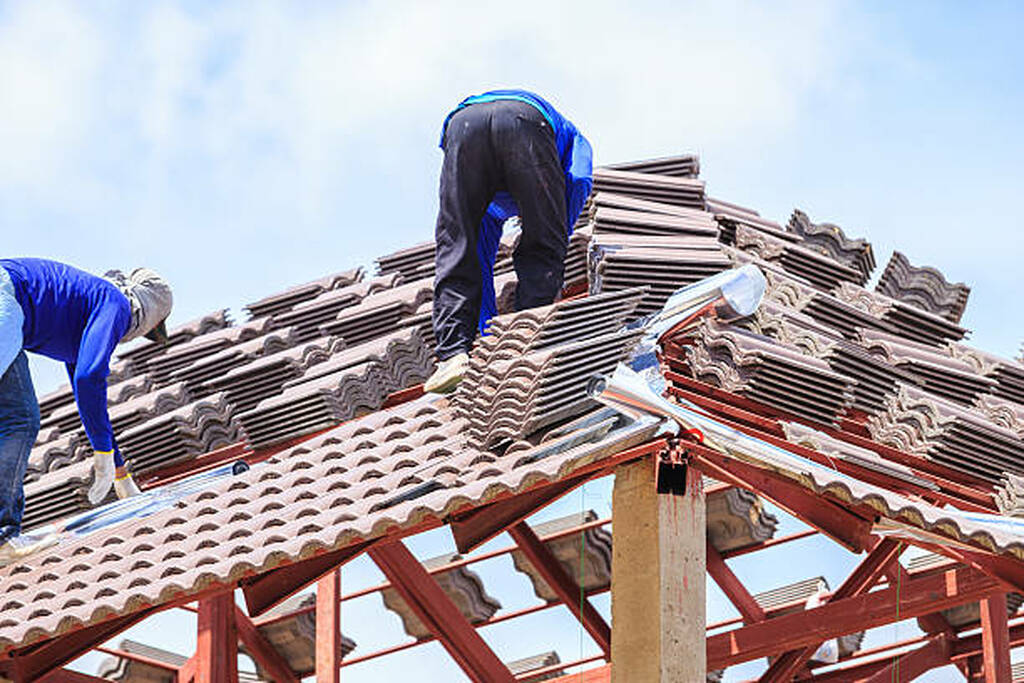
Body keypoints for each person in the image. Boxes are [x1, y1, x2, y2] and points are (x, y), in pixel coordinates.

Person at [0, 258, 173, 564]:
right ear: (147, 317)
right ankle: (3, 536)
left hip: (8, 301)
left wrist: (119, 471)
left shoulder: (85, 309)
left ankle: (4, 533)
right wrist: (102, 456)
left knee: (19, 416)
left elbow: (88, 399)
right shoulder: (115, 304)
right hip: (5, 297)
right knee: (22, 420)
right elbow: (89, 378)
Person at [425, 89, 593, 393]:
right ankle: (531, 340)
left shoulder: (487, 208)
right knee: (544, 246)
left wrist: (483, 339)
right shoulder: (573, 144)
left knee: (457, 245)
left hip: (463, 125)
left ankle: (453, 356)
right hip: (525, 119)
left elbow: (475, 263)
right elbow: (580, 179)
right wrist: (556, 231)